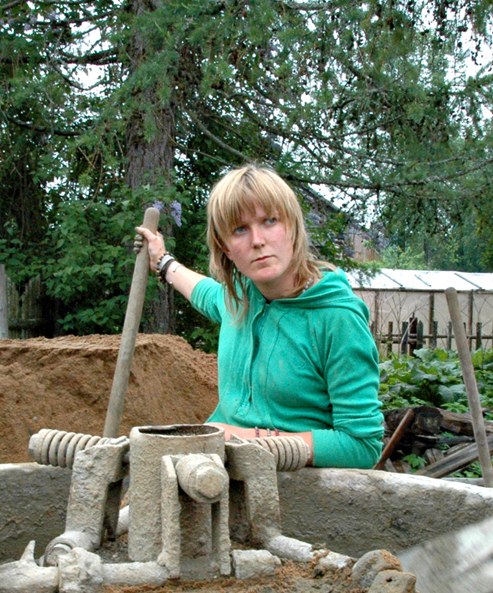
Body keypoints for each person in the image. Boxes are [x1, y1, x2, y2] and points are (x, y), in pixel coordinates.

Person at [135, 165, 383, 468]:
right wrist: (162, 261)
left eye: (270, 221)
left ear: (293, 226)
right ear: (225, 247)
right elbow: (205, 292)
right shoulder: (239, 297)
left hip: (300, 487)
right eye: (240, 229)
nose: (257, 240)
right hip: (219, 467)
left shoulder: (337, 319)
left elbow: (362, 445)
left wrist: (249, 438)